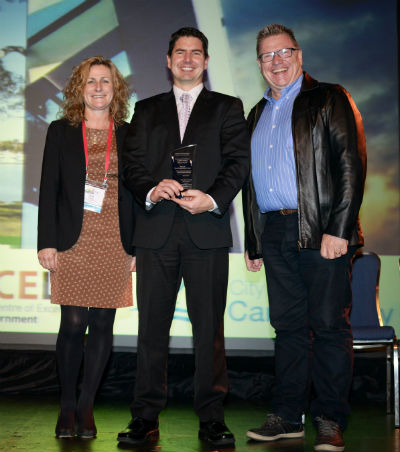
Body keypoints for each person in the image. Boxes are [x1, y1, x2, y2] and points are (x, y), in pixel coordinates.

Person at [117, 27, 249, 447]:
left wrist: (212, 199)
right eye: (180, 52)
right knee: (151, 330)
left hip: (206, 231)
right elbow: (132, 165)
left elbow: (238, 163)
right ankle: (145, 417)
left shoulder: (227, 107)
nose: (187, 59)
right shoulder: (146, 109)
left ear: (206, 61)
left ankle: (212, 417)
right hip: (155, 234)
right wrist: (151, 189)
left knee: (209, 329)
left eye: (195, 53)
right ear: (168, 60)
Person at [242, 24, 366, 452]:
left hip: (321, 228)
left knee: (329, 326)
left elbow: (351, 165)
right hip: (274, 230)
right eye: (267, 55)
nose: (276, 61)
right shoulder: (256, 114)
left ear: (299, 55)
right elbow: (251, 184)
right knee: (288, 328)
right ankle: (288, 416)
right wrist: (254, 241)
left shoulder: (329, 98)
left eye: (284, 52)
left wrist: (340, 229)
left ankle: (330, 419)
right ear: (259, 63)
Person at [37, 56, 136, 439]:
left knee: (103, 324)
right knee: (74, 323)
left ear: (116, 89)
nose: (98, 87)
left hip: (115, 238)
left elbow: (137, 192)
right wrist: (46, 242)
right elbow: (49, 189)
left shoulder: (128, 133)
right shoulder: (61, 130)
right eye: (90, 81)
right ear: (79, 89)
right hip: (72, 239)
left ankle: (86, 405)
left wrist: (138, 246)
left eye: (105, 81)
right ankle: (66, 404)